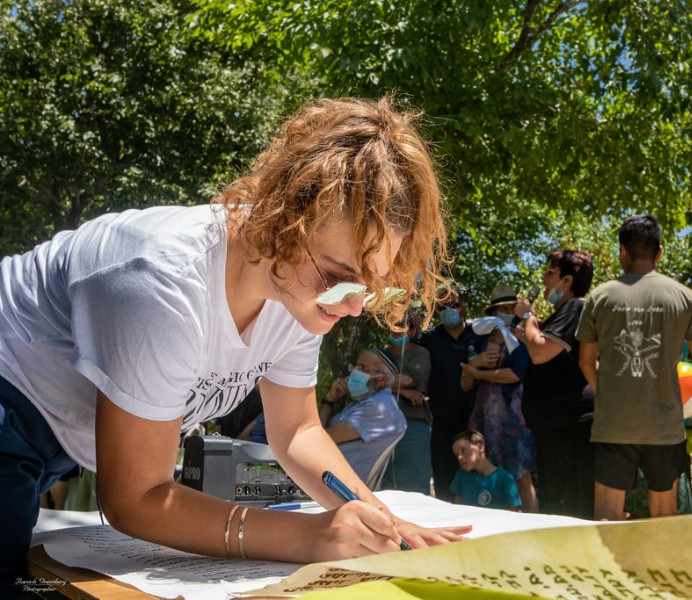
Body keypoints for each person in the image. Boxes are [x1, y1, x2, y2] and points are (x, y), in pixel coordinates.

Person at [0, 97, 471, 589]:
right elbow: (134, 497)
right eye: (340, 278)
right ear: (284, 221)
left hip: (60, 434)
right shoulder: (162, 281)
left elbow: (297, 432)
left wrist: (381, 523)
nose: (354, 305)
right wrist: (307, 537)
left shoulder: (299, 292)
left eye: (370, 287)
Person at [575, 215, 692, 520]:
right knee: (664, 518)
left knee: (607, 517)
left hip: (614, 423)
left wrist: (607, 395)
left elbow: (585, 362)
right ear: (660, 252)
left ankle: (608, 570)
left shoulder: (599, 297)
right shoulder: (684, 297)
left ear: (622, 251)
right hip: (665, 426)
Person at [513, 249, 595, 519]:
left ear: (567, 281)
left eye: (550, 273)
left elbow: (540, 352)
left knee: (568, 508)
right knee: (556, 504)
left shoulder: (575, 307)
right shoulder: (562, 314)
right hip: (553, 426)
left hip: (568, 427)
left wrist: (527, 316)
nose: (543, 278)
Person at [460, 284, 538, 512]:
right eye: (501, 308)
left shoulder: (520, 339)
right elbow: (465, 383)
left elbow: (515, 375)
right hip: (484, 417)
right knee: (490, 472)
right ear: (492, 313)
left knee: (521, 472)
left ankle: (533, 522)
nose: (507, 311)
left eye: (511, 307)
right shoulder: (478, 341)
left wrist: (477, 373)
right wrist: (474, 365)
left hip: (514, 417)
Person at [419, 290, 482, 501]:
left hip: (475, 417)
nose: (447, 311)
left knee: (476, 469)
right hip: (440, 418)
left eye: (452, 305)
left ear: (464, 307)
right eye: (441, 307)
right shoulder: (428, 339)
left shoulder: (479, 334)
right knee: (443, 471)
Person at [318, 350, 407, 487]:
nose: (356, 372)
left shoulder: (379, 408)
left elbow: (318, 440)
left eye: (363, 368)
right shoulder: (362, 403)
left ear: (382, 379)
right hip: (323, 482)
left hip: (337, 489)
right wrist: (330, 398)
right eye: (357, 366)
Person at [378, 312, 434, 495]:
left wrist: (383, 382)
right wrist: (401, 390)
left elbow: (410, 380)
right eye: (393, 323)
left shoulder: (420, 353)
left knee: (415, 485)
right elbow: (365, 384)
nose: (397, 328)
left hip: (413, 424)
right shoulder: (379, 354)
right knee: (384, 486)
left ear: (412, 330)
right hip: (381, 426)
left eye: (403, 324)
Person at [449, 430, 522, 510]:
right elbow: (457, 507)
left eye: (463, 450)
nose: (460, 457)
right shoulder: (462, 476)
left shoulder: (505, 479)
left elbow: (514, 513)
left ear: (480, 447)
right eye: (457, 455)